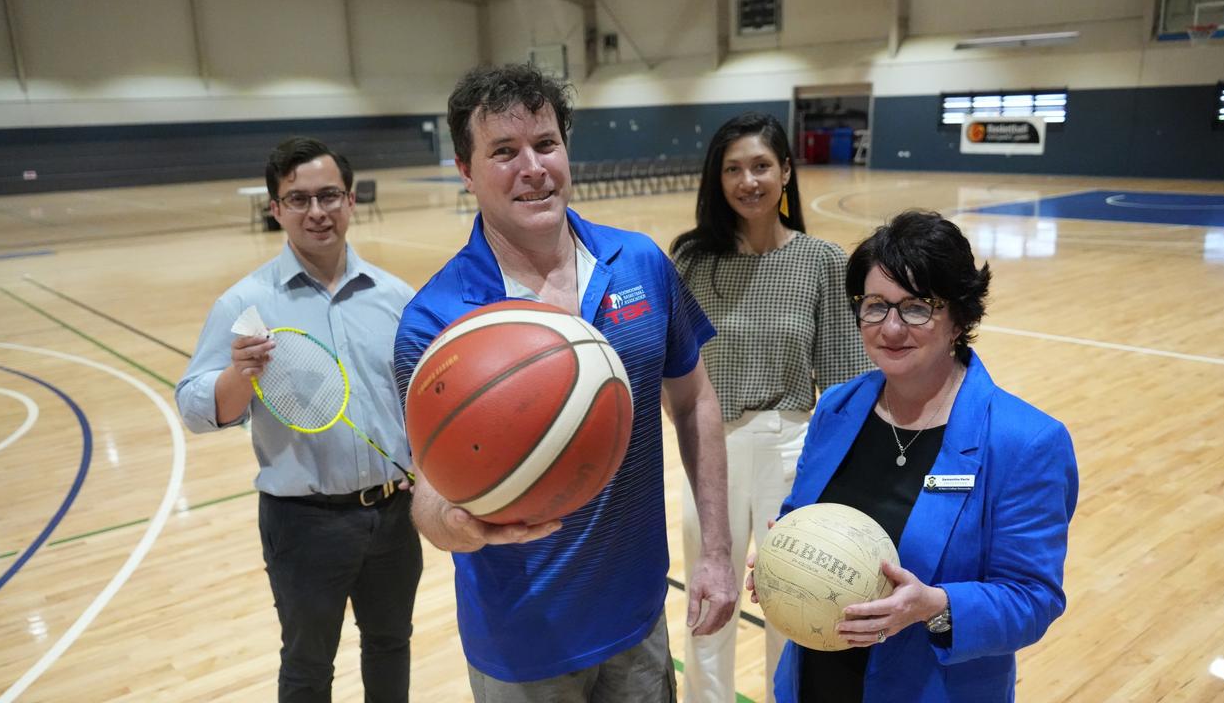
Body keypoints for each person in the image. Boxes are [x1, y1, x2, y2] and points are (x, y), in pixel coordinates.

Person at [392, 63, 737, 702]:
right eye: (503, 152)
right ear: (465, 171)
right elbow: (427, 498)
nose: (533, 168)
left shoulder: (639, 262)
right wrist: (464, 528)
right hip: (521, 639)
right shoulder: (437, 320)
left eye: (545, 144)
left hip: (637, 617)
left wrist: (715, 551)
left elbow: (695, 404)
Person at [752, 210, 1079, 702]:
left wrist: (934, 606)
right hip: (815, 681)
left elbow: (1033, 599)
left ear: (960, 317)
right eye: (876, 306)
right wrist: (782, 558)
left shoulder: (1024, 441)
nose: (891, 328)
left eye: (916, 308)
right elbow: (801, 516)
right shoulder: (838, 407)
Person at [176, 137, 421, 702]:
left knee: (391, 644)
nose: (317, 211)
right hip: (305, 524)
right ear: (276, 209)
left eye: (329, 195)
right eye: (299, 199)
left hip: (394, 515)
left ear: (351, 200)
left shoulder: (394, 296)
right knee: (308, 666)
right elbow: (194, 407)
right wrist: (239, 377)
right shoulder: (246, 303)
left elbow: (421, 396)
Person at [668, 112, 871, 703]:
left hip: (792, 445)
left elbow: (843, 380)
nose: (748, 180)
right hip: (710, 449)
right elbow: (671, 366)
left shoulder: (823, 260)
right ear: (717, 178)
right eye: (733, 169)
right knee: (710, 596)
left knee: (794, 600)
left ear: (785, 171)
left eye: (761, 166)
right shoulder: (691, 261)